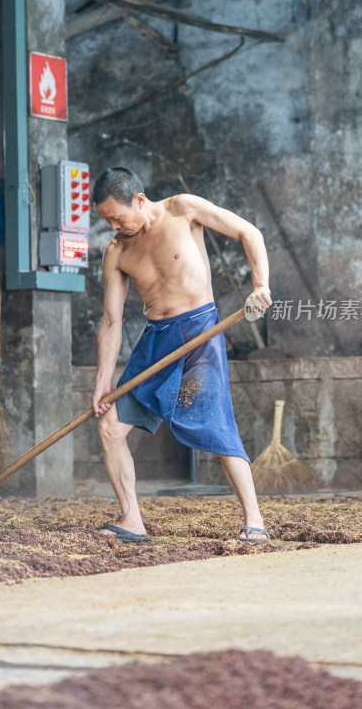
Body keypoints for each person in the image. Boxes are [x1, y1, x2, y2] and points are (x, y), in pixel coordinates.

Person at [91, 167, 272, 543]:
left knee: (217, 424)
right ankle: (132, 521)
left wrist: (260, 286)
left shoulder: (182, 209)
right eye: (106, 220)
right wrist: (102, 382)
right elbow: (111, 321)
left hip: (200, 331)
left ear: (139, 200)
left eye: (117, 217)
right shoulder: (117, 252)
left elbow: (248, 232)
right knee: (110, 428)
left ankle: (254, 521)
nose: (113, 226)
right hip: (156, 339)